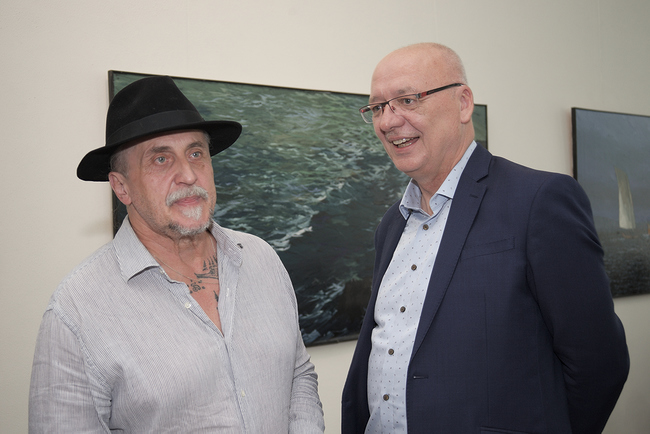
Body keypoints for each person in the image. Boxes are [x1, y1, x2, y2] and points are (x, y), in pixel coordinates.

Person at [341, 43, 629, 434]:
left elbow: (599, 362)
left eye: (407, 100)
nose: (388, 121)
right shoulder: (392, 224)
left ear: (463, 104)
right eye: (377, 107)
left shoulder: (538, 201)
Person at [29, 76, 325, 433]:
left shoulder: (261, 258)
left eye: (196, 153)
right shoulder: (75, 311)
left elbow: (298, 373)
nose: (188, 175)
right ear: (121, 187)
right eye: (160, 159)